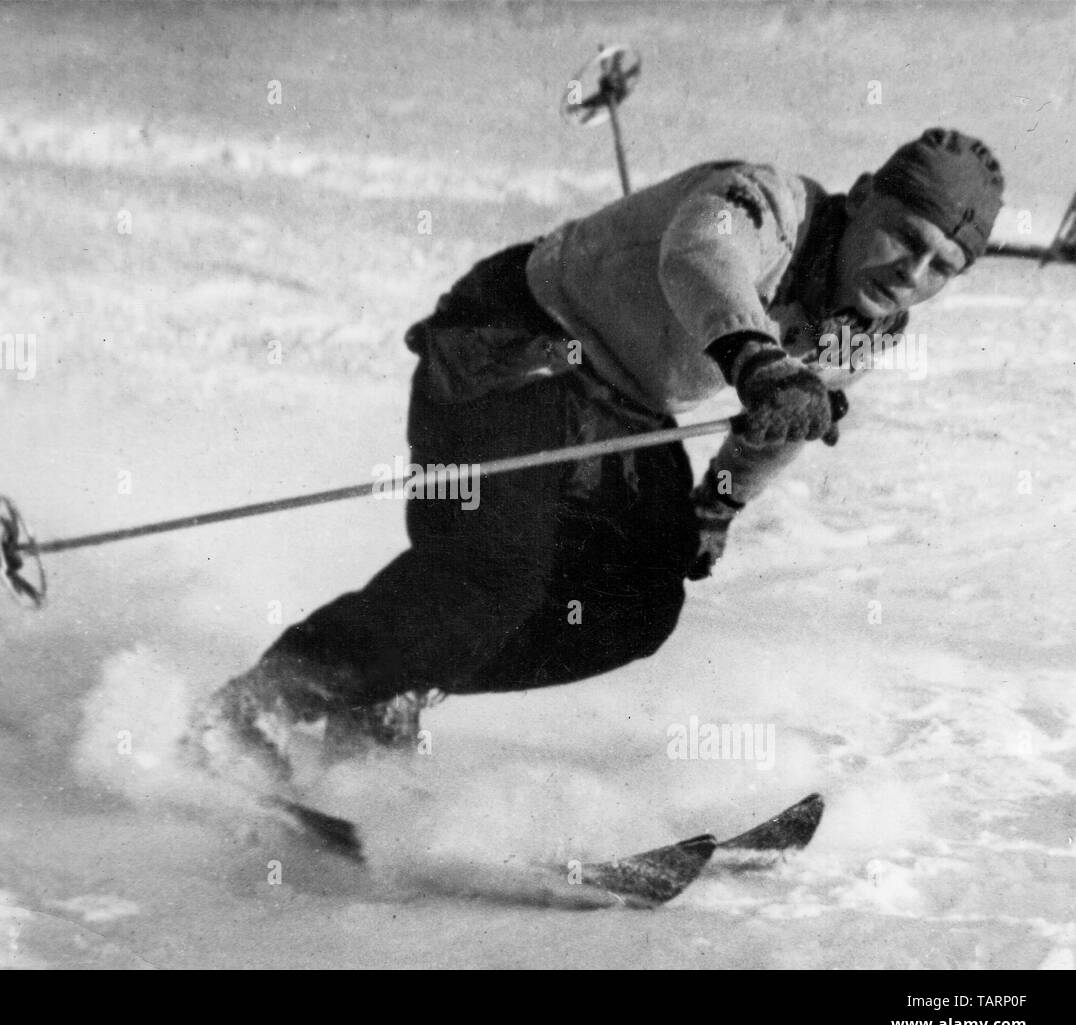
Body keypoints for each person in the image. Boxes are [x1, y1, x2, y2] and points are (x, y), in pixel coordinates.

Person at [186, 127, 1004, 787]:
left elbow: (788, 413)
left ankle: (393, 684)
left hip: (618, 409)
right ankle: (261, 702)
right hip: (516, 343)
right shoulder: (764, 201)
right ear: (862, 196)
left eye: (943, 268)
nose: (913, 273)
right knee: (495, 573)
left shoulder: (865, 323)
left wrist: (716, 506)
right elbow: (700, 257)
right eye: (905, 236)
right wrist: (757, 358)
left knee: (638, 607)